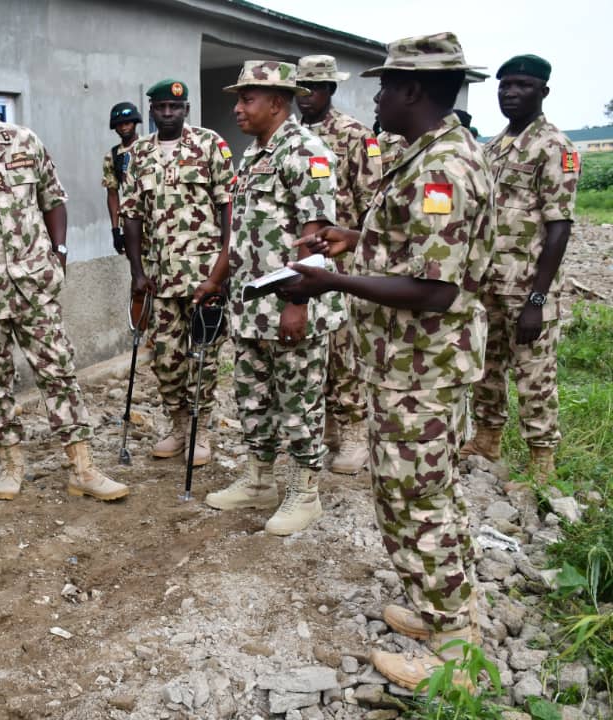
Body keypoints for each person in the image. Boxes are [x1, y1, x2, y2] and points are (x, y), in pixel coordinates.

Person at [284, 32, 492, 688]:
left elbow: (434, 289)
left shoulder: (442, 171)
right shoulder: (427, 153)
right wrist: (355, 239)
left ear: (412, 91)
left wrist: (331, 281)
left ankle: (454, 653)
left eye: (383, 84)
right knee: (432, 492)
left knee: (418, 498)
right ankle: (447, 608)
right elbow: (414, 247)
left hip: (420, 369)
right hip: (412, 364)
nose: (372, 95)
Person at [0, 69, 128, 502]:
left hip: (36, 284)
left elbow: (53, 199)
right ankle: (12, 462)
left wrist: (61, 252)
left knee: (59, 371)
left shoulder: (25, 142)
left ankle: (83, 466)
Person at [202, 61, 341, 536]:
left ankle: (305, 493)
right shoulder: (253, 153)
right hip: (251, 306)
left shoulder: (305, 150)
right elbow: (240, 229)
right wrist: (216, 278)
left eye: (247, 100)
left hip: (291, 302)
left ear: (277, 103)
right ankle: (259, 478)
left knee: (298, 399)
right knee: (253, 395)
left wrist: (297, 302)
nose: (238, 108)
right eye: (238, 100)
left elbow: (317, 233)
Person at [462, 54, 577, 483]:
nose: (510, 92)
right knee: (487, 367)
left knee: (534, 374)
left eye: (522, 85)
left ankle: (542, 460)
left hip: (527, 288)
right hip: (489, 283)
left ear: (543, 92)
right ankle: (488, 439)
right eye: (504, 85)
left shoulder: (554, 147)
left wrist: (537, 299)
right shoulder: (493, 147)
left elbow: (559, 227)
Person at [121, 79, 234, 466]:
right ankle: (178, 425)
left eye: (175, 107)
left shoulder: (209, 144)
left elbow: (227, 206)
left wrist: (224, 266)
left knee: (202, 355)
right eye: (161, 107)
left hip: (205, 276)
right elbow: (131, 214)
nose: (167, 113)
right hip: (160, 277)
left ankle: (201, 431)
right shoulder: (137, 154)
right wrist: (137, 271)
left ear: (186, 110)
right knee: (167, 359)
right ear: (150, 110)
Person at [295, 54, 382, 475]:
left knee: (343, 348)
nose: (305, 96)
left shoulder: (354, 136)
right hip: (300, 261)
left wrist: (356, 254)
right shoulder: (289, 137)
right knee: (312, 346)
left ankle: (351, 431)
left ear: (330, 90)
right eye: (301, 88)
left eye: (313, 88)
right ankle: (325, 426)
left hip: (341, 261)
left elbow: (372, 207)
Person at [103, 101, 142, 255]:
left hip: (156, 220)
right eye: (120, 124)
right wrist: (115, 229)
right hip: (130, 223)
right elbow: (112, 193)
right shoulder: (112, 156)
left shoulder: (150, 147)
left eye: (127, 123)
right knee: (136, 271)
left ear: (135, 122)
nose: (124, 127)